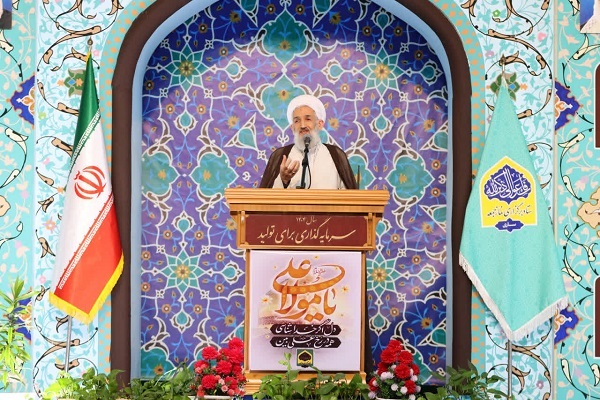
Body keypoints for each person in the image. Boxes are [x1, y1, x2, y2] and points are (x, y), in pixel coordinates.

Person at [259, 94, 358, 189]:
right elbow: (265, 197)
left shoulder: (335, 155)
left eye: (308, 119)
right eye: (297, 121)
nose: (302, 125)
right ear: (292, 127)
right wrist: (283, 180)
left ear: (320, 124)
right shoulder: (280, 156)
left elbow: (349, 197)